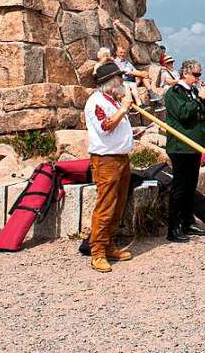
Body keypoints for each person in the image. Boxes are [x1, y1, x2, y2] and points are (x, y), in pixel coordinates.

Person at [83, 60, 135, 271]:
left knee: (118, 205)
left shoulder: (110, 100)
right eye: (120, 78)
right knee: (106, 206)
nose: (123, 81)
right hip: (106, 161)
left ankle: (109, 244)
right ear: (111, 82)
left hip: (120, 158)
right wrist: (123, 110)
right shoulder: (96, 102)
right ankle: (97, 252)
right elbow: (105, 127)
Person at [164, 58, 205, 241]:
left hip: (194, 146)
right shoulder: (173, 92)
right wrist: (199, 99)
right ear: (185, 73)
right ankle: (174, 227)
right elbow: (184, 114)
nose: (198, 78)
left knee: (190, 187)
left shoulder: (194, 91)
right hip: (180, 146)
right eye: (195, 75)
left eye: (199, 74)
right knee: (179, 188)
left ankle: (188, 221)